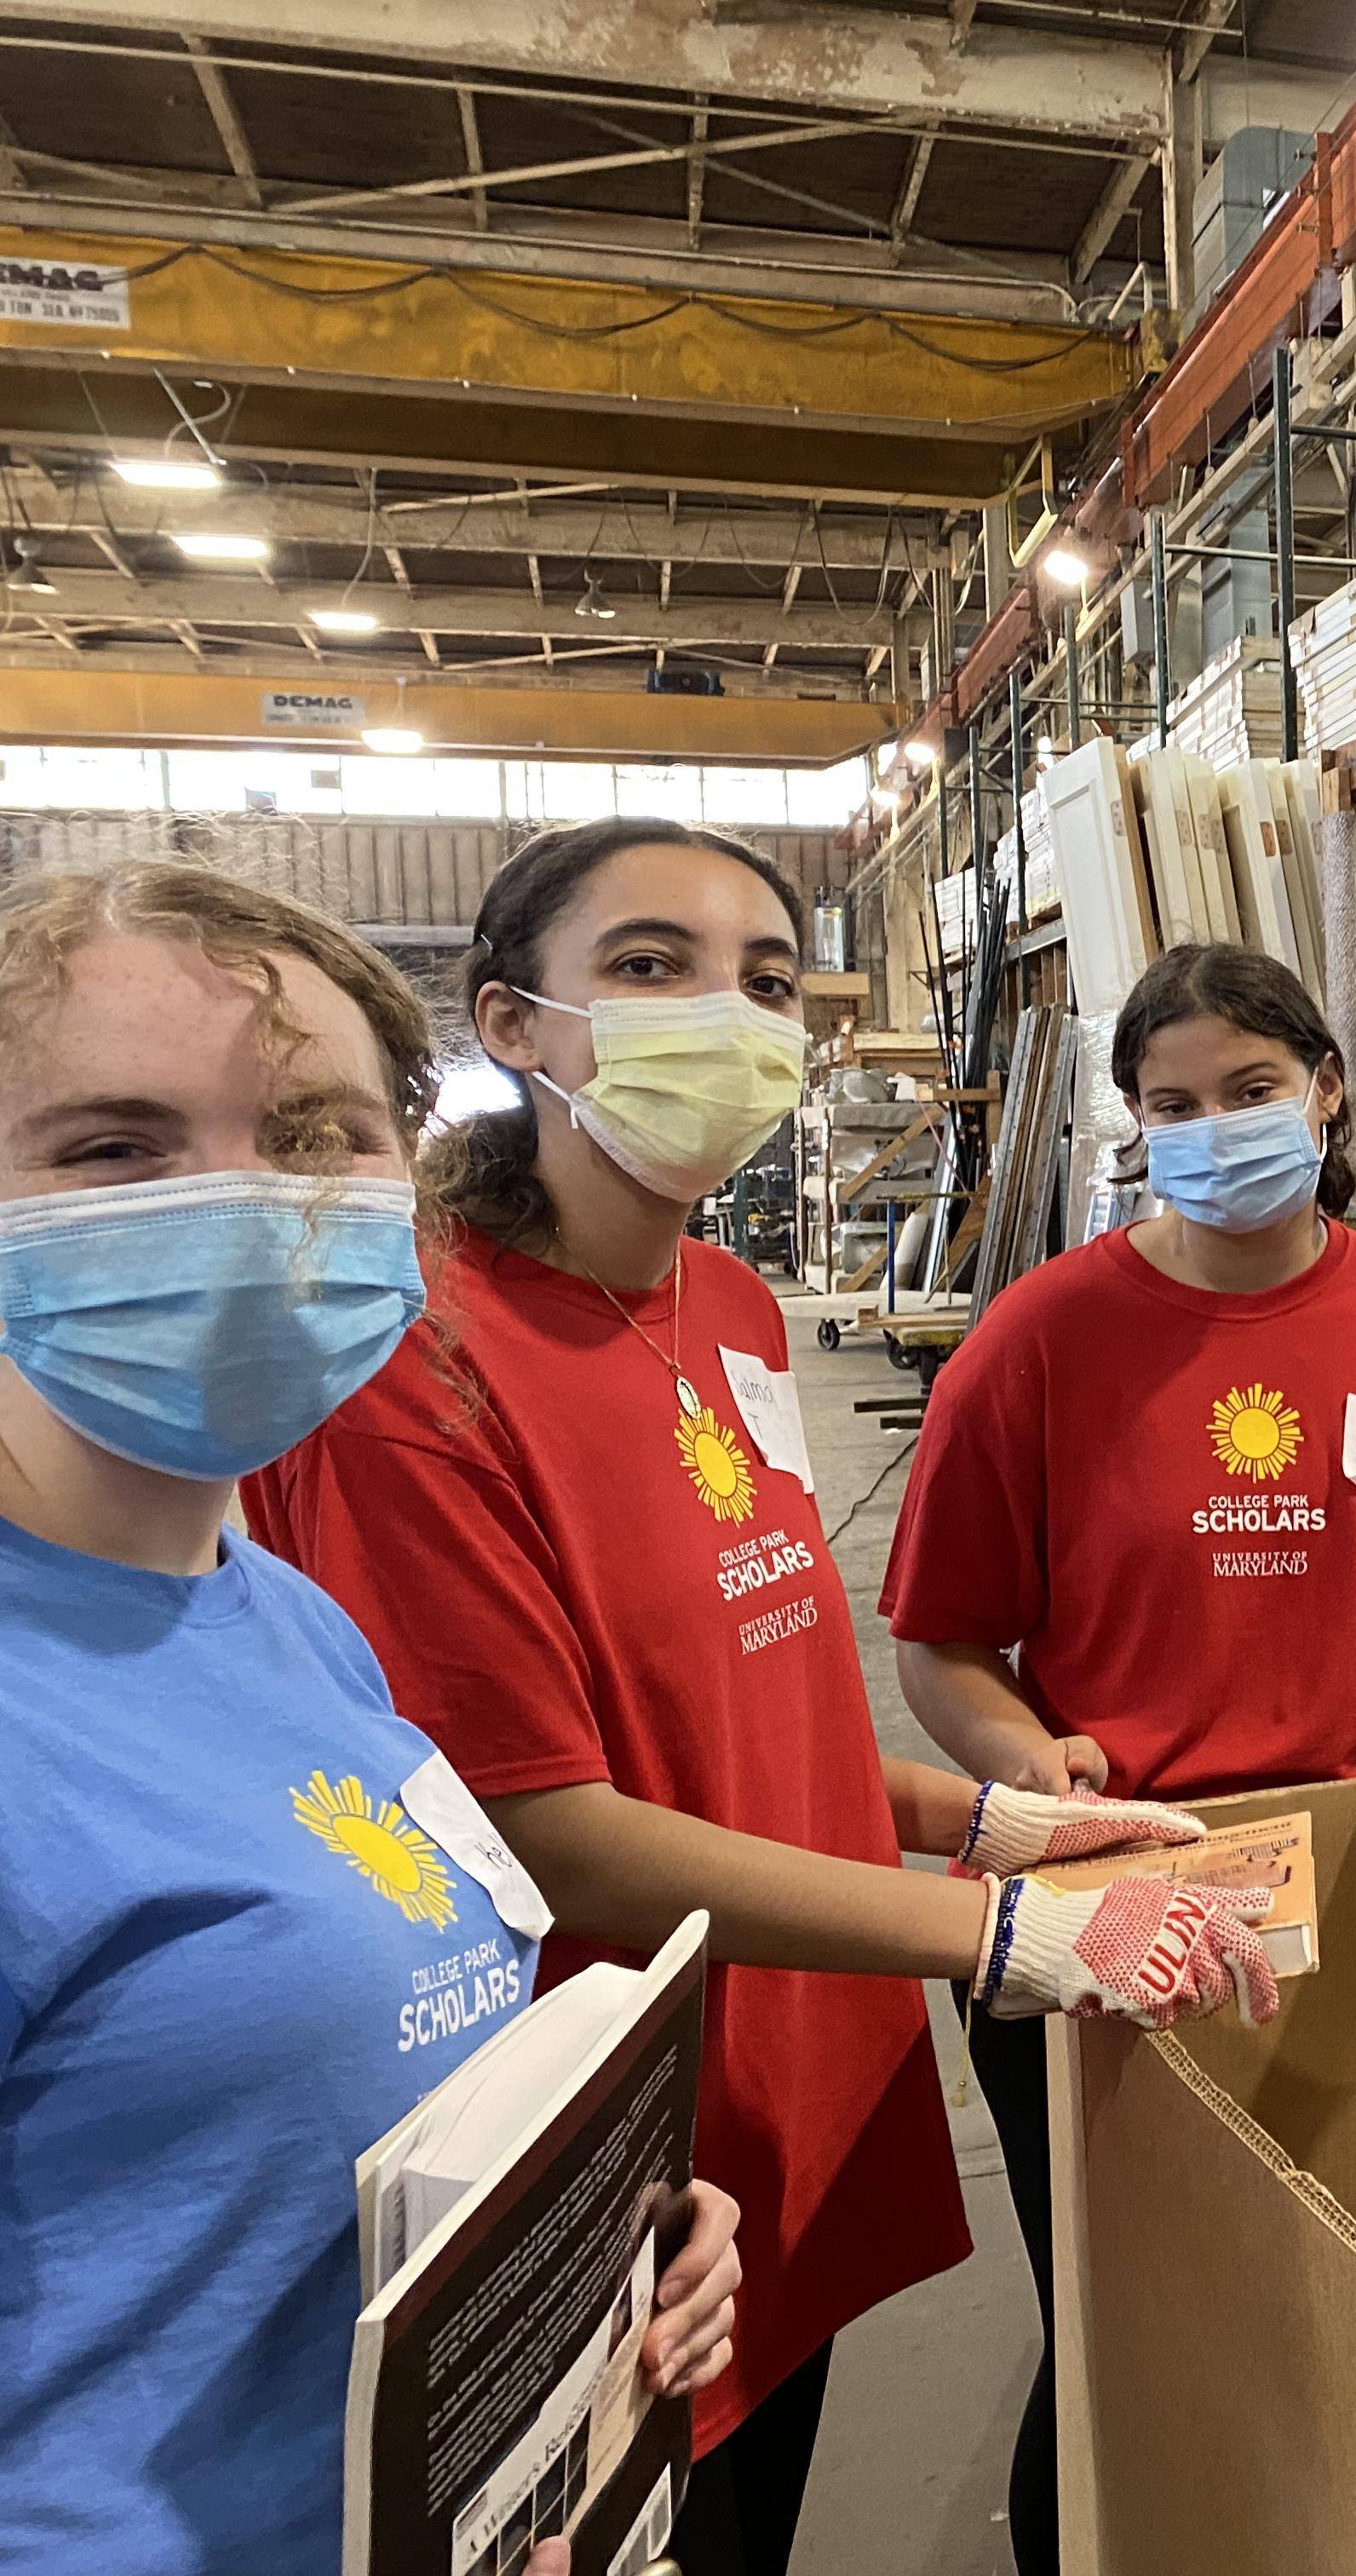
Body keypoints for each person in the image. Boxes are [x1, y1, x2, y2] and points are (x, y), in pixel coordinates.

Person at [247, 820, 1270, 2576]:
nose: (724, 1013)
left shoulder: (724, 1302)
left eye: (768, 981)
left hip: (801, 2084)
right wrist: (1006, 1934)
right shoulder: (416, 1363)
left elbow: (759, 1699)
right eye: (650, 967)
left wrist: (992, 1818)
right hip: (629, 2141)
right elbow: (539, 1829)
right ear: (515, 1022)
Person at [0, 862, 739, 2575]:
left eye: (321, 1135)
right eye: (115, 1148)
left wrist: (590, 2251)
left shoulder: (284, 1617)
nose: (252, 1207)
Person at [882, 940, 1356, 2576]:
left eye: (1250, 1090)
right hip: (1119, 1894)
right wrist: (1032, 1766)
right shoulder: (1039, 1344)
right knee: (1127, 2329)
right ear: (1132, 1126)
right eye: (1170, 1103)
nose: (1215, 1127)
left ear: (1326, 1091)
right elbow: (939, 1642)